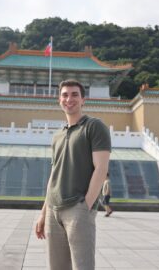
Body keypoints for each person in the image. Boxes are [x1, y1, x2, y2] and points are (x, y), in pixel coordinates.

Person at [35, 79, 111, 270]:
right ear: (59, 100)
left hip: (77, 208)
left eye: (74, 94)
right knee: (56, 267)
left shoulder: (94, 126)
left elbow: (101, 168)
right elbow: (54, 174)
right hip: (53, 209)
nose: (69, 99)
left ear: (83, 99)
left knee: (82, 266)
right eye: (65, 95)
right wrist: (43, 214)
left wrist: (86, 206)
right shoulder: (57, 135)